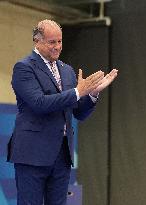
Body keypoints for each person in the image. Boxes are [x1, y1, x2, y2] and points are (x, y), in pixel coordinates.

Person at [7, 19, 118, 205]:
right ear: (37, 41)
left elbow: (78, 113)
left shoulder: (67, 70)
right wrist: (77, 91)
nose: (57, 46)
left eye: (60, 41)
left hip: (61, 156)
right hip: (32, 154)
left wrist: (92, 93)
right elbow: (39, 103)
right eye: (52, 42)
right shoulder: (24, 68)